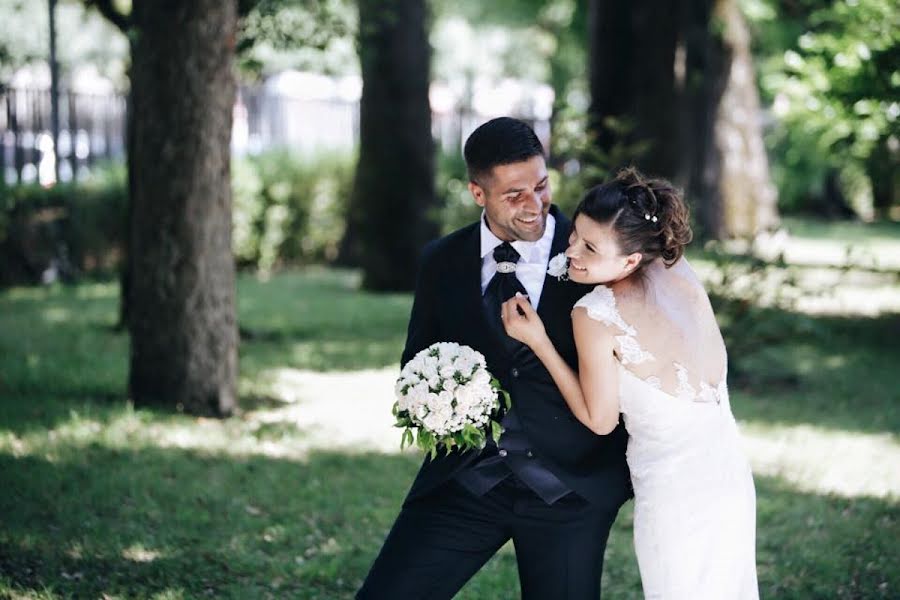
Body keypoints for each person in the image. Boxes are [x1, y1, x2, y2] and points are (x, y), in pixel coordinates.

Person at [357, 118, 631, 599]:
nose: (534, 205)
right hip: (466, 483)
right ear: (477, 193)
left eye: (541, 186)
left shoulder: (593, 258)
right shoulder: (442, 261)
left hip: (567, 492)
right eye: (514, 194)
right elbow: (417, 364)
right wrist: (439, 405)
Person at [501, 167, 759, 599]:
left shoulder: (595, 314)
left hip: (673, 494)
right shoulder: (680, 271)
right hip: (729, 476)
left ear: (630, 260)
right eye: (574, 237)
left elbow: (599, 420)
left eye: (590, 248)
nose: (573, 253)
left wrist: (539, 341)